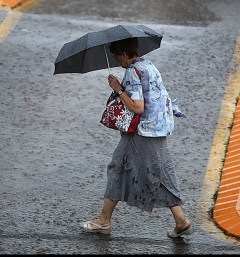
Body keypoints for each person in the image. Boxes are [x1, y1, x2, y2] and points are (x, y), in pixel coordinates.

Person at [79, 38, 193, 238]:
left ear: (124, 54)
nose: (117, 61)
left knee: (128, 169)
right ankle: (180, 220)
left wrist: (118, 88)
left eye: (117, 56)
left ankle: (105, 221)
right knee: (154, 172)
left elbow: (137, 107)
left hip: (142, 132)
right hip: (158, 128)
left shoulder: (133, 71)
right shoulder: (148, 65)